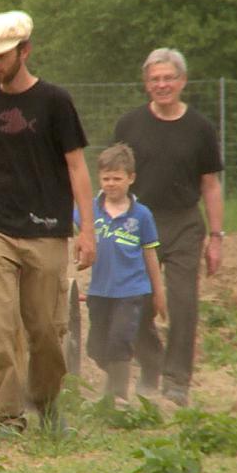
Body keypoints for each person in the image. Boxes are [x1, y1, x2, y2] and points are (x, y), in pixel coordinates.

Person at [0, 10, 96, 432]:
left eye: (2, 57)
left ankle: (45, 405)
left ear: (25, 51)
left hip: (46, 229)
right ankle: (8, 418)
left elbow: (78, 168)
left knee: (45, 332)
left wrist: (87, 231)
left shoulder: (56, 102)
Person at [114, 48, 224, 407]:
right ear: (146, 84)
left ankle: (177, 381)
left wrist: (217, 237)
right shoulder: (129, 126)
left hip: (183, 224)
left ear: (182, 82)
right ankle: (151, 363)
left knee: (182, 302)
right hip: (138, 222)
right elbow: (114, 178)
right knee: (137, 304)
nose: (162, 85)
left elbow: (210, 184)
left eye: (169, 78)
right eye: (155, 79)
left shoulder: (201, 128)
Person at [77, 143, 166, 407]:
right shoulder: (90, 210)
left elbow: (150, 255)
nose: (111, 184)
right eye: (106, 178)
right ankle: (111, 385)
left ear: (131, 178)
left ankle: (119, 397)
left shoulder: (141, 216)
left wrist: (158, 292)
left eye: (117, 178)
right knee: (96, 346)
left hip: (131, 290)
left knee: (120, 340)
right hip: (99, 290)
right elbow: (76, 234)